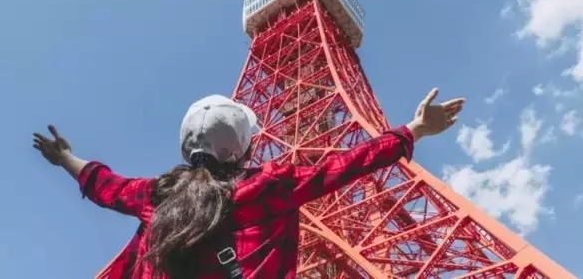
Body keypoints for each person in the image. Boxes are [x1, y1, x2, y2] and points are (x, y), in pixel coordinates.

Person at [33, 89, 464, 279]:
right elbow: (348, 164)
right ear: (246, 149)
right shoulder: (270, 188)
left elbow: (103, 184)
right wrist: (414, 129)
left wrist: (65, 157)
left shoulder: (156, 195)